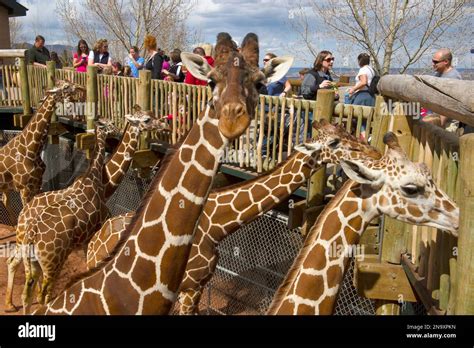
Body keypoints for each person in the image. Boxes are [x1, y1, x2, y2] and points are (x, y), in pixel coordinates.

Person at [431, 48, 465, 132]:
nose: (433, 64)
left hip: (448, 123)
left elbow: (449, 103)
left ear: (446, 61)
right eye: (433, 61)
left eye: (436, 62)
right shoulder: (438, 73)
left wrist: (440, 124)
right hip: (437, 118)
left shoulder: (453, 77)